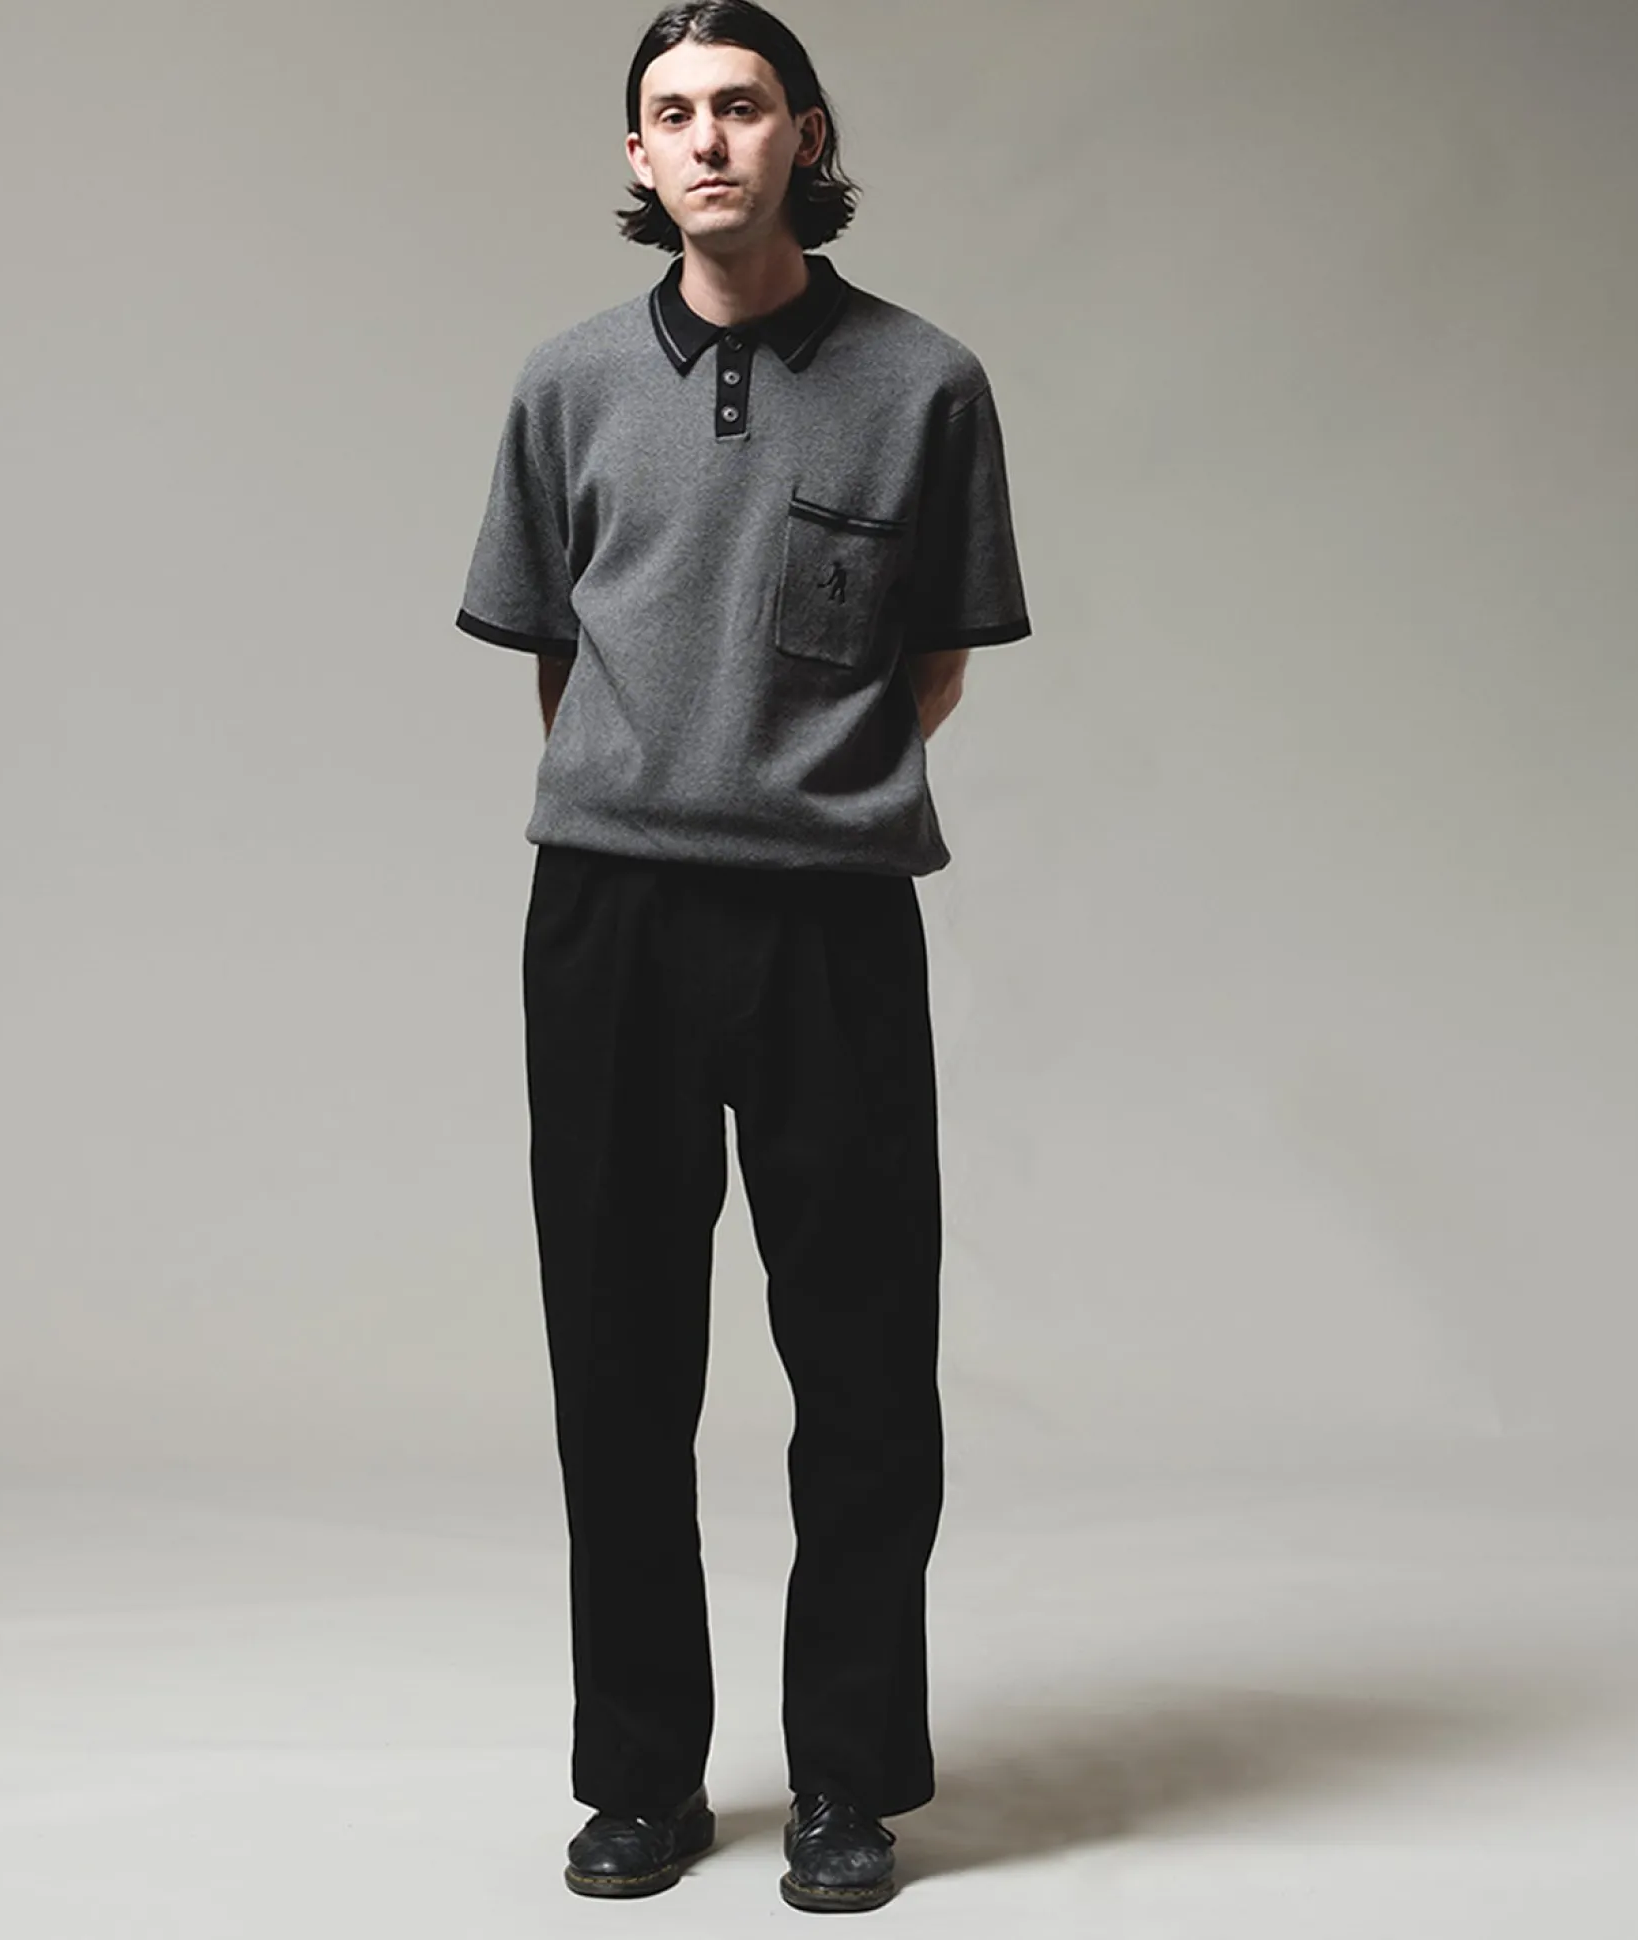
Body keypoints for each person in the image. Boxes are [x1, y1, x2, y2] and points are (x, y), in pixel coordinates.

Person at [454, 0, 1031, 1912]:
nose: (709, 140)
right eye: (674, 113)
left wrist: (790, 791)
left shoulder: (926, 382)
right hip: (610, 918)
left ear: (805, 134)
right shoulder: (564, 385)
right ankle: (639, 1778)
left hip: (831, 921)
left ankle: (847, 1778)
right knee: (618, 1358)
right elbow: (561, 660)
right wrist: (663, 787)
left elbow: (932, 663)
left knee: (864, 1367)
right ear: (638, 157)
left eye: (744, 106)